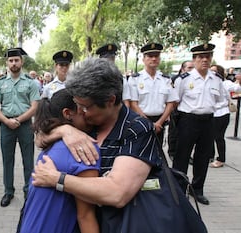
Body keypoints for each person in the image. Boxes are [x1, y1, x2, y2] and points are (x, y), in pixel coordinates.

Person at [31, 57, 162, 232]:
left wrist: (57, 179)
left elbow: (117, 193)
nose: (81, 113)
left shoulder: (136, 129)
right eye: (78, 106)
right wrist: (65, 131)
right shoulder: (88, 124)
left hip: (123, 223)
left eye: (85, 107)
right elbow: (40, 138)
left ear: (110, 100)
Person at [19, 89, 100, 233]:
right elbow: (85, 216)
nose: (89, 113)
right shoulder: (83, 149)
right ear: (68, 113)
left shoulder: (53, 143)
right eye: (84, 108)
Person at [172, 43, 226, 205]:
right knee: (181, 156)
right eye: (201, 57)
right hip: (188, 120)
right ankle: (179, 189)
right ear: (194, 60)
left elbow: (219, 100)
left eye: (208, 56)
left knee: (203, 157)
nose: (205, 60)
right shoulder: (184, 79)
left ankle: (197, 189)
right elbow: (176, 101)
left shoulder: (216, 79)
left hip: (208, 121)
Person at [0, 48, 40, 207]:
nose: (13, 63)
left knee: (28, 160)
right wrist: (6, 121)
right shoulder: (0, 83)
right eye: (11, 61)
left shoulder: (30, 83)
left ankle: (29, 191)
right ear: (7, 63)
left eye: (16, 60)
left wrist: (17, 120)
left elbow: (34, 107)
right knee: (7, 160)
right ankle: (8, 192)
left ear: (21, 61)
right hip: (6, 126)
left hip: (25, 125)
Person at [129, 43, 178, 145]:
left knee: (158, 152)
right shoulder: (135, 79)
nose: (154, 59)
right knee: (140, 151)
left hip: (160, 122)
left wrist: (159, 123)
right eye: (150, 56)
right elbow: (133, 104)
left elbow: (170, 103)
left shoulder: (165, 79)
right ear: (143, 59)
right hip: (141, 120)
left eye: (156, 56)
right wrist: (149, 123)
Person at [209, 64, 241, 168]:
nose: (212, 73)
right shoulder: (207, 83)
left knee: (219, 137)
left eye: (215, 71)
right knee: (210, 136)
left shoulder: (225, 83)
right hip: (211, 113)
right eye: (211, 71)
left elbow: (237, 88)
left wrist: (239, 80)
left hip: (222, 113)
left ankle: (221, 159)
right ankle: (210, 156)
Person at [168, 61, 194, 160]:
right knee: (174, 132)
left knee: (188, 136)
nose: (192, 70)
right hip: (176, 110)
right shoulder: (176, 79)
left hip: (188, 112)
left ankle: (187, 155)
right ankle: (172, 152)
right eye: (189, 68)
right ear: (183, 69)